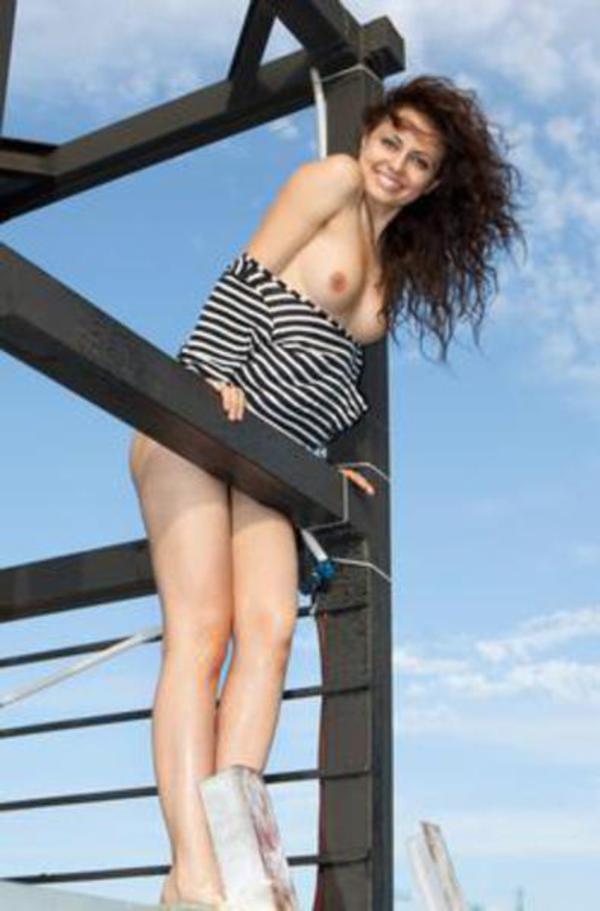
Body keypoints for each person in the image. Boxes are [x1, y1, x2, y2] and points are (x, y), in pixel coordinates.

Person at [128, 75, 522, 907]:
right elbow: (249, 274)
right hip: (201, 420)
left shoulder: (394, 263)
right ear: (367, 135)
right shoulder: (331, 180)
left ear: (434, 182)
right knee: (201, 633)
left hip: (272, 460)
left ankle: (234, 855)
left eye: (419, 160)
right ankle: (191, 871)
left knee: (270, 632)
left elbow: (325, 358)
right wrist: (208, 377)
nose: (396, 164)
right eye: (391, 140)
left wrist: (323, 463)